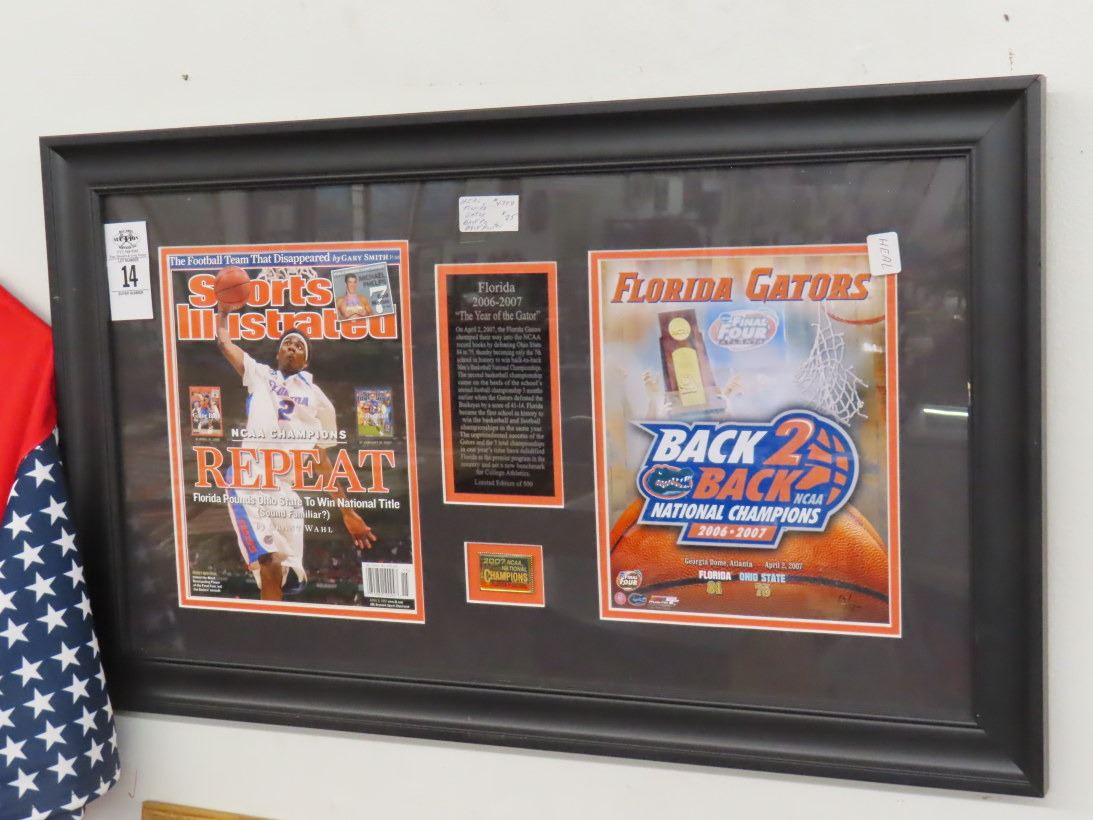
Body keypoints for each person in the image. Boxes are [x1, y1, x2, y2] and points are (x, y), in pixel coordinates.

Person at [214, 302, 377, 601]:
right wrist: (223, 313)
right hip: (249, 476)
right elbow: (225, 343)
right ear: (278, 354)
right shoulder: (260, 374)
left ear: (306, 361)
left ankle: (279, 621)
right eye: (286, 344)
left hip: (286, 491)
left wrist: (347, 512)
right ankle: (268, 626)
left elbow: (321, 461)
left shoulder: (319, 400)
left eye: (298, 345)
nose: (291, 347)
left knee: (288, 580)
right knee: (270, 562)